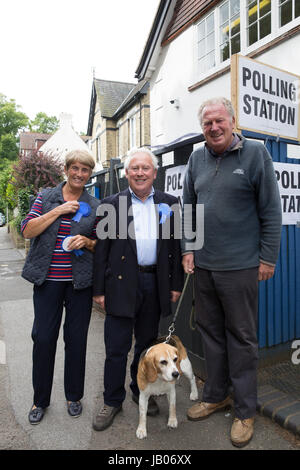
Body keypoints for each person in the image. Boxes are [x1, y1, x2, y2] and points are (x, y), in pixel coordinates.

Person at [181, 97, 282, 448]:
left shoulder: (256, 154)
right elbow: (188, 208)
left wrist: (268, 258)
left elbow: (271, 210)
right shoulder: (196, 158)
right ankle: (216, 395)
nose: (214, 127)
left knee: (241, 339)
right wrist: (188, 248)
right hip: (205, 267)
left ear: (232, 121)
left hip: (240, 267)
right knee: (211, 335)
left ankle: (244, 411)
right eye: (207, 123)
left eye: (219, 120)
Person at [92, 147, 183, 431]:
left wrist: (176, 284)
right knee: (116, 347)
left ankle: (139, 388)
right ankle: (112, 400)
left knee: (146, 346)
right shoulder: (110, 204)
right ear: (127, 173)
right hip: (120, 284)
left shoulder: (171, 203)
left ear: (155, 173)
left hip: (154, 283)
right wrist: (98, 290)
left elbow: (176, 246)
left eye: (146, 168)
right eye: (135, 168)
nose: (140, 173)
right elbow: (101, 252)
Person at [21, 149, 100, 424]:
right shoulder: (46, 197)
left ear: (90, 174)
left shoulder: (95, 204)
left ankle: (73, 396)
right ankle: (39, 400)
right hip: (47, 282)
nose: (79, 174)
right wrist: (58, 210)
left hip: (79, 284)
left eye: (85, 170)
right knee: (43, 339)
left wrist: (87, 242)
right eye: (75, 168)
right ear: (66, 169)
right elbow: (27, 230)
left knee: (76, 341)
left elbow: (102, 244)